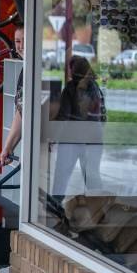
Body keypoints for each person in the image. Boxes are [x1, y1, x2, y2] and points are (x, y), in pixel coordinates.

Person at [50, 55, 106, 198]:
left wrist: (52, 136)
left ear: (73, 70)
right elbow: (103, 115)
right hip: (94, 137)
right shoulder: (96, 87)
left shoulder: (70, 88)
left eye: (70, 68)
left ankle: (55, 206)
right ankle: (98, 208)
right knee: (92, 176)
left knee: (62, 175)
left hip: (72, 137)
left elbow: (64, 115)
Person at [0, 21, 25, 167]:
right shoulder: (26, 69)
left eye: (25, 41)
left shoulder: (42, 69)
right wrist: (8, 147)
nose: (21, 46)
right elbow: (21, 112)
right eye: (17, 41)